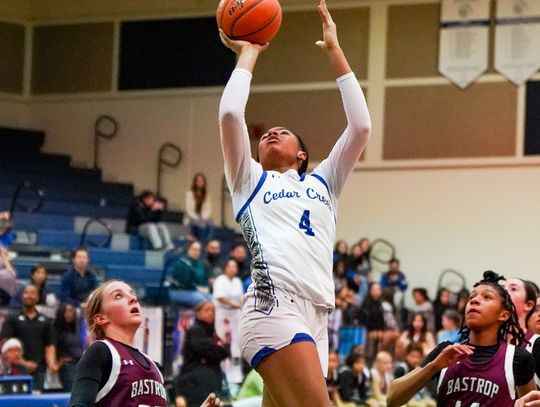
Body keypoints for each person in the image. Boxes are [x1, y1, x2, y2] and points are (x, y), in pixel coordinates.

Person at [218, 0, 371, 404]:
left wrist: (337, 53)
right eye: (267, 133)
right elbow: (232, 114)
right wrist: (248, 53)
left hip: (317, 315)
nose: (272, 133)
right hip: (274, 304)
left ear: (302, 155)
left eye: (283, 133)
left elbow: (361, 126)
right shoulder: (248, 178)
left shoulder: (325, 181)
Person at [387, 271, 537, 407]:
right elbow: (392, 399)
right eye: (472, 297)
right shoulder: (445, 350)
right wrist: (434, 366)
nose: (475, 301)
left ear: (504, 315)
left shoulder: (517, 358)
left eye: (487, 297)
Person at [69, 279, 167, 406]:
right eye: (118, 296)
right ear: (101, 318)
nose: (133, 299)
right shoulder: (100, 352)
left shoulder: (155, 367)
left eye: (132, 294)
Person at [0, 284, 58, 390]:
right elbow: (5, 343)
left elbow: (50, 345)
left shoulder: (46, 321)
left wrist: (52, 364)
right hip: (15, 370)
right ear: (22, 296)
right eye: (26, 293)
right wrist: (23, 363)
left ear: (38, 298)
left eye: (32, 293)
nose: (29, 296)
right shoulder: (12, 319)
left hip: (39, 370)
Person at [175, 300, 229, 407]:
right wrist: (218, 352)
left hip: (210, 381)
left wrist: (217, 352)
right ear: (198, 313)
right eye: (207, 310)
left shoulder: (212, 332)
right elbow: (208, 351)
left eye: (213, 311)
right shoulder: (195, 330)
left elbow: (225, 352)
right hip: (195, 383)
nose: (210, 313)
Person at [503, 278, 540, 387]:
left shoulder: (536, 344)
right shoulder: (485, 344)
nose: (504, 291)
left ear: (528, 305)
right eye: (501, 288)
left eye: (513, 288)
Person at [213, 259, 243, 360]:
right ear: (225, 268)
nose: (232, 269)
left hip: (235, 313)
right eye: (230, 266)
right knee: (221, 334)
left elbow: (241, 298)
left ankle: (236, 357)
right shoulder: (220, 280)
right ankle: (220, 355)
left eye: (234, 267)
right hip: (223, 311)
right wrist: (233, 304)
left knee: (236, 335)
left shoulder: (237, 281)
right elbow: (219, 297)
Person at [167, 240, 212, 307]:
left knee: (214, 300)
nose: (196, 252)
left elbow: (204, 280)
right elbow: (184, 282)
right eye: (194, 249)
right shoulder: (181, 263)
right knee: (203, 301)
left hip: (197, 291)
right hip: (179, 291)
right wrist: (197, 288)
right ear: (188, 249)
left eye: (198, 250)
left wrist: (206, 287)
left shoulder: (201, 264)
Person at [53, 303, 83, 391]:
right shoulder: (55, 330)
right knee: (72, 391)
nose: (70, 314)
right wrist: (58, 363)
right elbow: (52, 347)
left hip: (81, 363)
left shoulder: (76, 329)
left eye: (72, 312)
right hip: (68, 366)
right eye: (67, 311)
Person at [185, 173, 214, 244]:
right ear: (195, 182)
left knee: (211, 224)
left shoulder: (207, 195)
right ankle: (200, 244)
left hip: (202, 216)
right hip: (192, 216)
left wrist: (204, 217)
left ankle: (206, 243)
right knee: (202, 225)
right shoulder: (189, 194)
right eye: (198, 180)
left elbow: (208, 209)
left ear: (204, 183)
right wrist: (199, 218)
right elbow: (189, 211)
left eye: (201, 181)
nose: (200, 182)